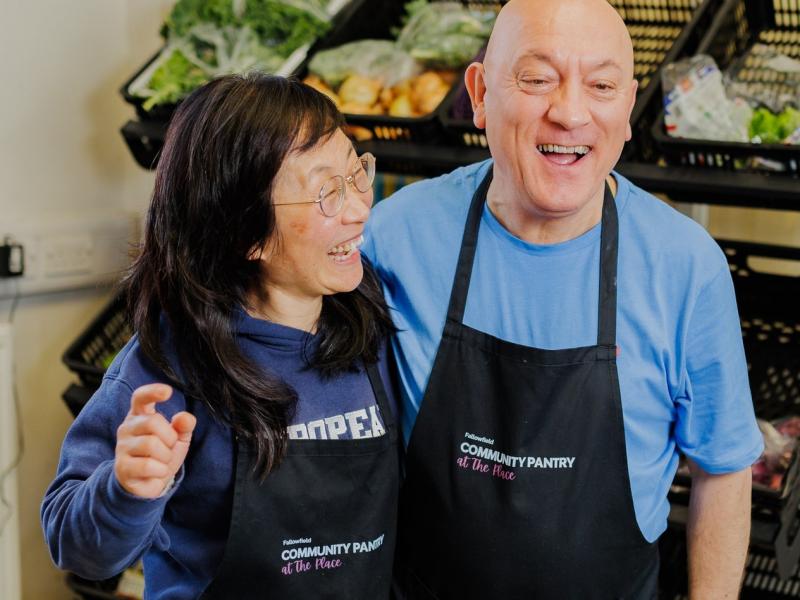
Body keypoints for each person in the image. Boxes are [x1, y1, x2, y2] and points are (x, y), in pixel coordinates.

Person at [362, 0, 763, 597]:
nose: (570, 112)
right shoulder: (393, 237)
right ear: (479, 93)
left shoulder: (685, 265)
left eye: (601, 85)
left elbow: (723, 469)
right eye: (537, 79)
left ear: (628, 109)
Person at [41, 74, 400, 599]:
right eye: (327, 192)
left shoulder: (373, 332)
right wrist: (127, 489)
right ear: (244, 232)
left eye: (356, 173)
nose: (359, 209)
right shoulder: (164, 370)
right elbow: (76, 549)